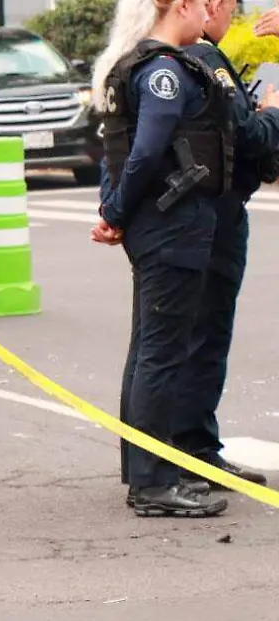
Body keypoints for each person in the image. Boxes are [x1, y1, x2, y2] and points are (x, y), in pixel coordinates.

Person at [89, 0, 239, 516]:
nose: (210, 12)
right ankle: (153, 484)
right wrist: (116, 210)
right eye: (203, 4)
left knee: (150, 348)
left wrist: (117, 211)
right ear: (180, 6)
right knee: (161, 353)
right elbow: (146, 150)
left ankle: (147, 469)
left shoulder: (145, 64)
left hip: (161, 226)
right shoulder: (163, 72)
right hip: (171, 226)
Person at [167, 0, 279, 491]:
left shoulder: (166, 55)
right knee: (201, 336)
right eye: (231, 10)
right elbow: (248, 134)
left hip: (199, 211)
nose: (234, 19)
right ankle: (189, 453)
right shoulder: (201, 57)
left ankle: (176, 453)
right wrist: (272, 114)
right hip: (213, 210)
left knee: (183, 337)